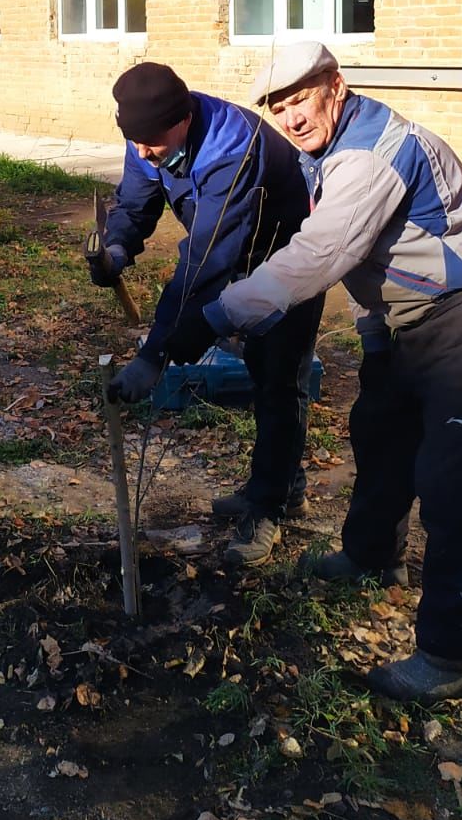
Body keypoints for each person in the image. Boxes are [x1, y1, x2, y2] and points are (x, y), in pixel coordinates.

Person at [165, 41, 462, 701]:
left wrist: (213, 315)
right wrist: (376, 342)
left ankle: (452, 656)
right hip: (412, 321)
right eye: (277, 107)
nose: (289, 117)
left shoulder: (372, 153)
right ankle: (374, 556)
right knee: (380, 435)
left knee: (459, 484)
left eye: (299, 100)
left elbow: (317, 257)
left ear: (334, 87)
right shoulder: (330, 150)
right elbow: (369, 264)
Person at [89, 61, 324, 568]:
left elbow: (203, 263)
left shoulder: (232, 150)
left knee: (280, 378)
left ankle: (269, 507)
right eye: (134, 142)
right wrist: (117, 250)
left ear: (183, 119)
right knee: (265, 374)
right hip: (236, 255)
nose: (142, 152)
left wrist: (155, 355)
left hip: (289, 261)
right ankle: (283, 486)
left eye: (151, 141)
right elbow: (135, 204)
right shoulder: (148, 138)